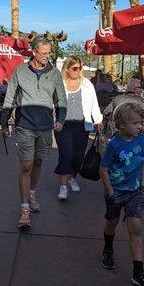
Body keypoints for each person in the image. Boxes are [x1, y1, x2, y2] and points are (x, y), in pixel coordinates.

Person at [1, 36, 67, 229]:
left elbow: (61, 101)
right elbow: (9, 98)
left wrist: (60, 121)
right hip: (25, 126)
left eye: (49, 53)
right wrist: (5, 122)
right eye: (44, 53)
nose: (48, 56)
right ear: (34, 52)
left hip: (46, 127)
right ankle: (24, 210)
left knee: (38, 162)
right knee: (26, 165)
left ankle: (31, 193)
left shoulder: (54, 74)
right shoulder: (20, 72)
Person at [100, 102, 144, 286]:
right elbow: (104, 170)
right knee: (112, 223)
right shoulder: (114, 145)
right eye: (135, 123)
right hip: (116, 191)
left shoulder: (141, 141)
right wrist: (111, 193)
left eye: (141, 123)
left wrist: (143, 185)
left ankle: (138, 271)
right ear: (122, 125)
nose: (140, 127)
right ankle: (108, 248)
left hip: (135, 192)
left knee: (135, 228)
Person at [54, 56, 103, 200]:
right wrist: (53, 120)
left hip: (82, 125)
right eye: (75, 68)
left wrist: (98, 120)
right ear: (67, 69)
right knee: (66, 154)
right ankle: (63, 187)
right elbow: (52, 104)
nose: (78, 71)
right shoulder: (59, 84)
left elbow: (94, 103)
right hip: (63, 125)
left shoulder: (87, 84)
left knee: (78, 156)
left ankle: (72, 177)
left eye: (80, 68)